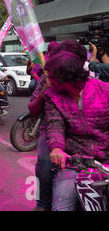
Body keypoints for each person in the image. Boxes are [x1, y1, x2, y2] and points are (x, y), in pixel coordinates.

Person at [42, 48, 109, 211]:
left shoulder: (105, 90)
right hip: (75, 163)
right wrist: (57, 148)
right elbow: (54, 124)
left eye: (51, 77)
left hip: (106, 161)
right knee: (61, 208)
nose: (48, 81)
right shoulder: (53, 96)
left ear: (64, 79)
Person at [29, 40, 89, 211]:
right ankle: (42, 203)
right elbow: (35, 111)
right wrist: (45, 90)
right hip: (50, 133)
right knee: (46, 163)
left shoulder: (94, 83)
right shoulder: (48, 80)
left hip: (84, 138)